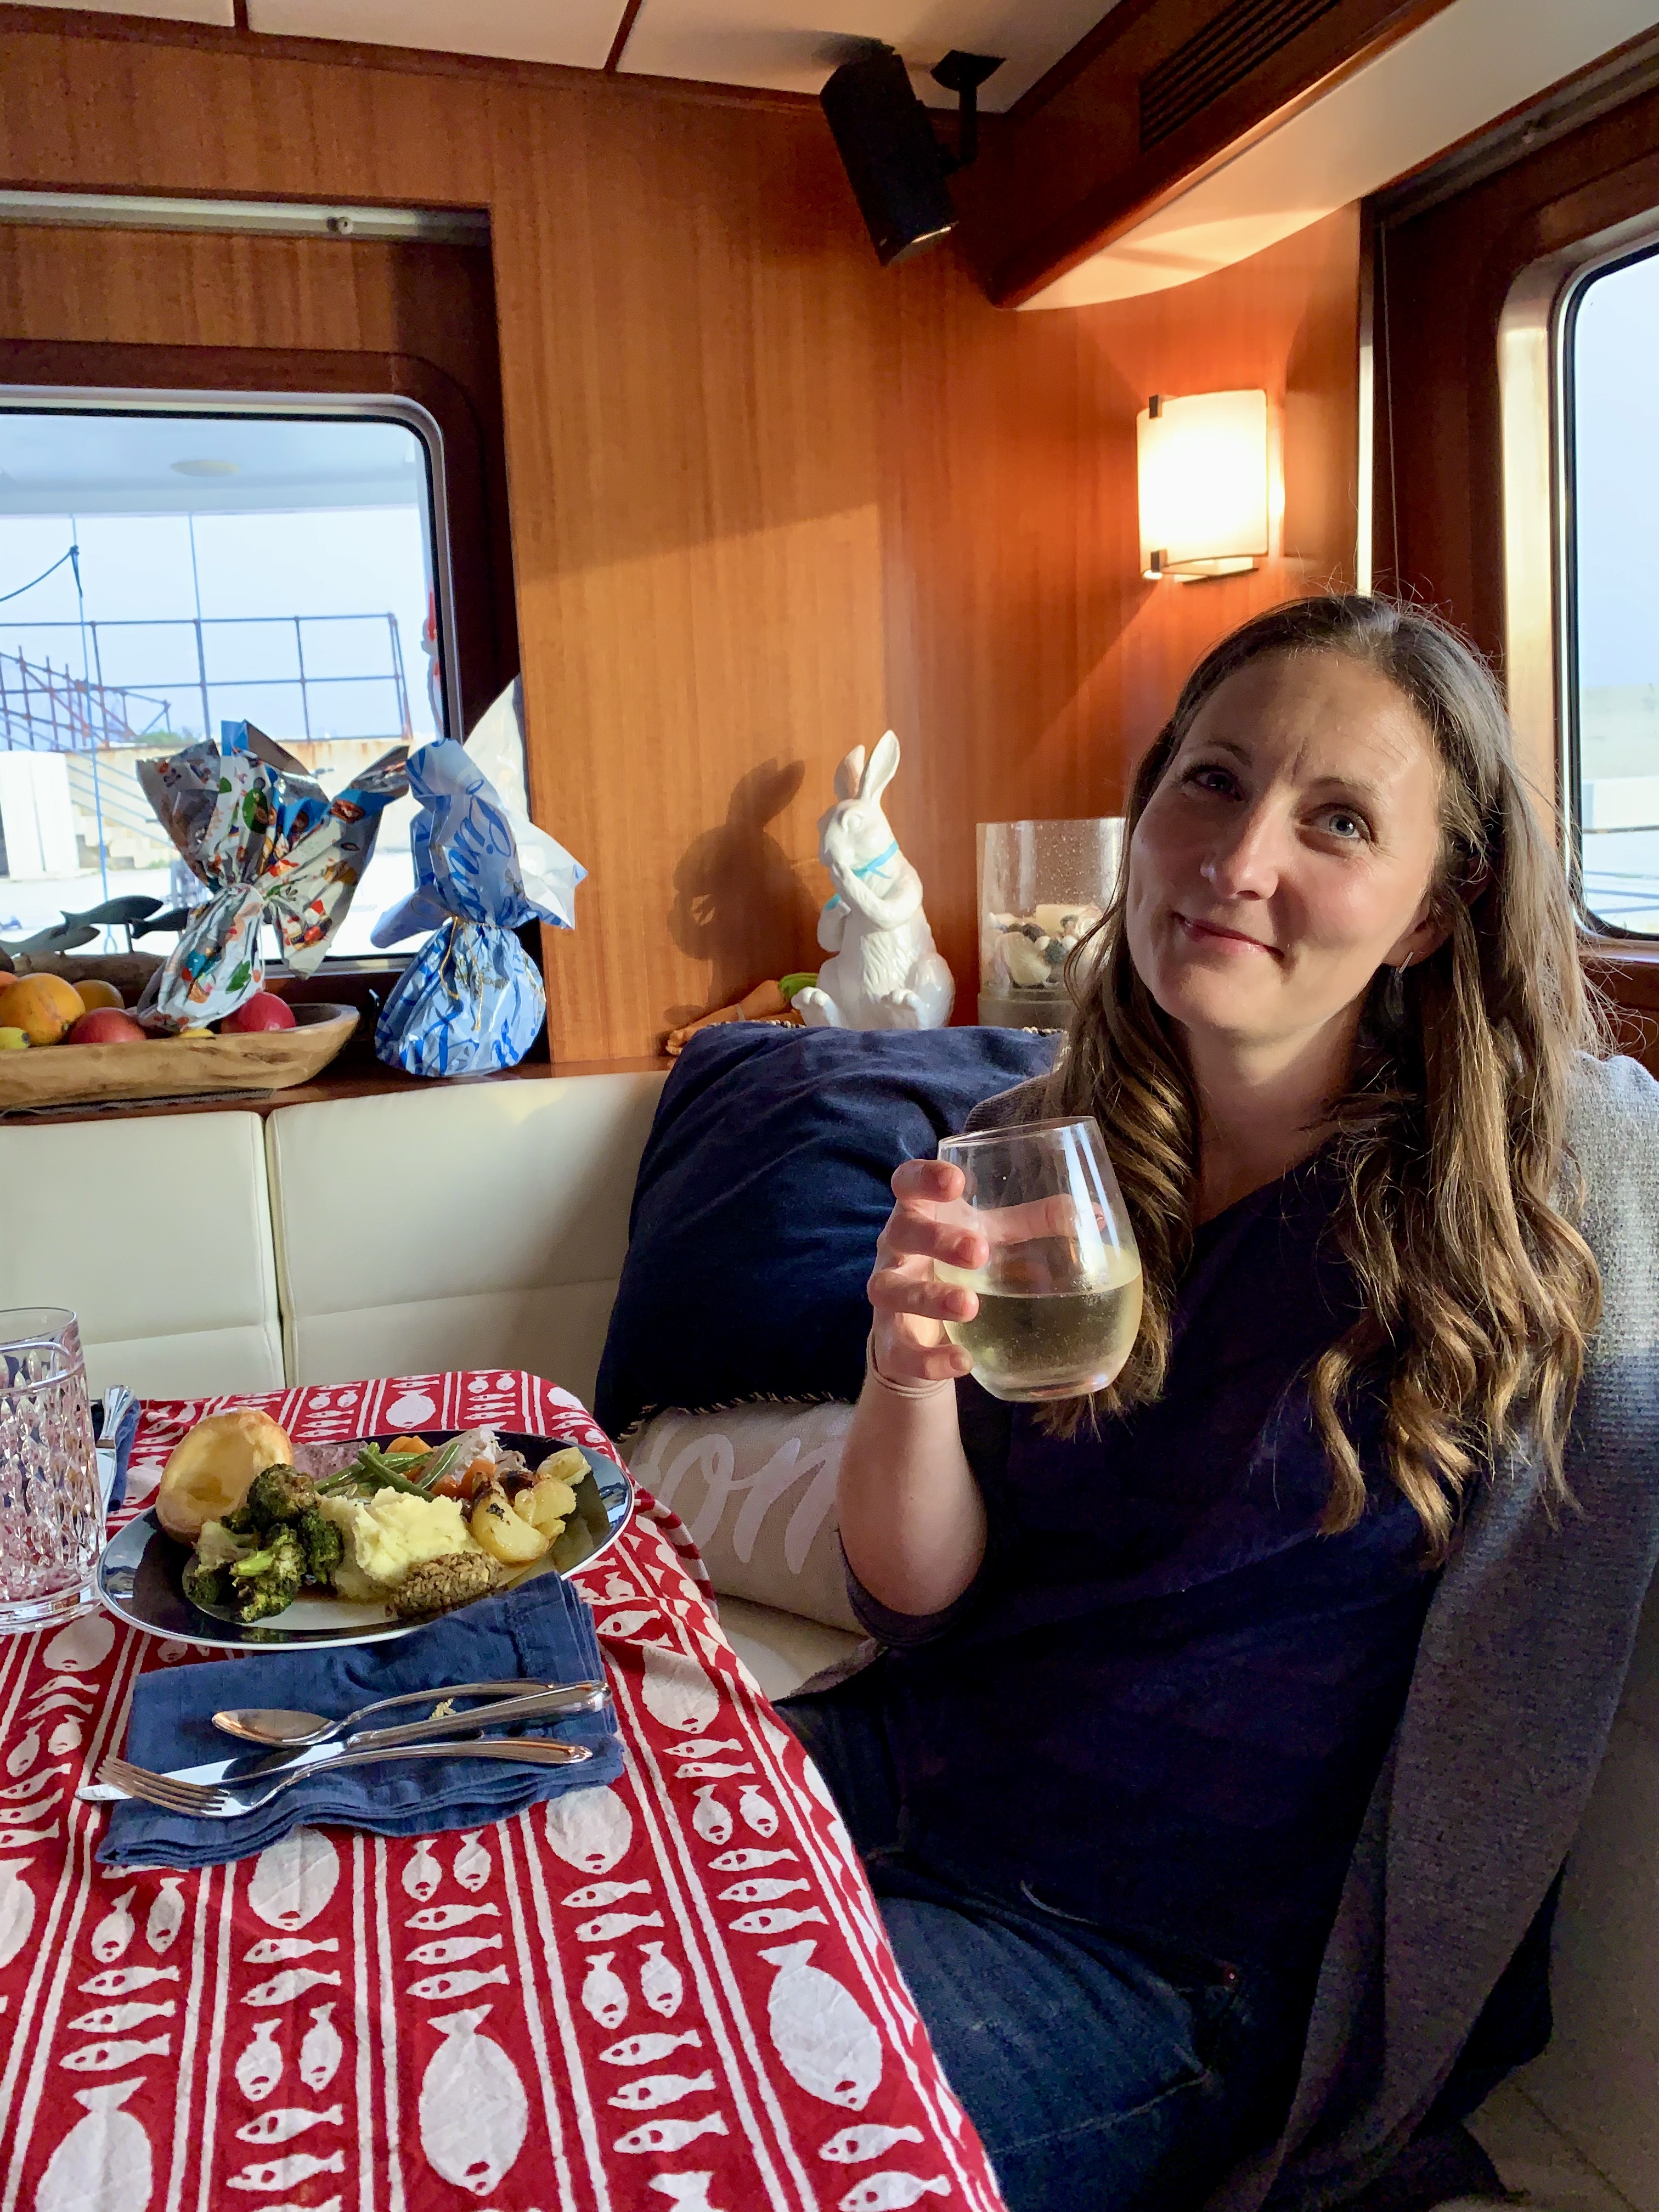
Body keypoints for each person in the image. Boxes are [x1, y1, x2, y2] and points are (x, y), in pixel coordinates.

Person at [780, 595, 1659, 2212]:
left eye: (1339, 821)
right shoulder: (1040, 1148)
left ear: (1432, 913)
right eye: (1214, 781)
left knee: (714, 2135)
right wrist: (902, 1375)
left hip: (1153, 1955)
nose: (1239, 860)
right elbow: (914, 1601)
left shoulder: (1529, 1197)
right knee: (498, 1916)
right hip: (900, 1770)